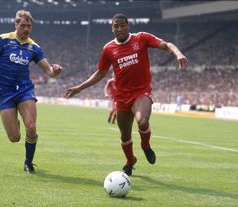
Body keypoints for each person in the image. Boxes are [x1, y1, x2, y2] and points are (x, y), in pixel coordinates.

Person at [65, 13, 188, 176]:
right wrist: (80, 87)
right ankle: (130, 161)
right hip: (122, 97)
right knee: (125, 135)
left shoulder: (141, 38)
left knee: (143, 122)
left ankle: (145, 146)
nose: (120, 28)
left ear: (128, 26)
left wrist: (177, 53)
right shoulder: (108, 49)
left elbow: (167, 45)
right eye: (116, 26)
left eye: (122, 25)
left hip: (141, 92)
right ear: (112, 29)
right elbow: (100, 73)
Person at [0, 10, 62, 174]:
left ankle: (28, 163)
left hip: (24, 90)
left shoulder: (34, 47)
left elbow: (49, 71)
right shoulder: (2, 40)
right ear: (16, 24)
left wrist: (55, 72)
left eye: (29, 26)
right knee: (14, 137)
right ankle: (14, 122)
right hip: (5, 92)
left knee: (31, 127)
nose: (26, 29)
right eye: (23, 25)